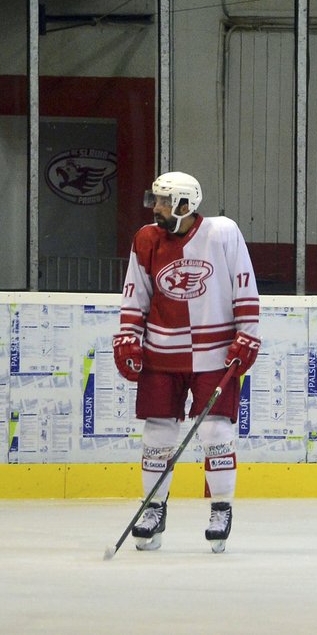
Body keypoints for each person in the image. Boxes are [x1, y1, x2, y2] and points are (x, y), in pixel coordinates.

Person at [113, 171, 261, 554]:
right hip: (162, 353)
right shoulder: (146, 239)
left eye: (164, 201)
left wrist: (247, 334)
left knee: (215, 433)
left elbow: (244, 285)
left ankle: (221, 509)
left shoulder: (223, 233)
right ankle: (153, 509)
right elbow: (135, 294)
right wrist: (128, 337)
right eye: (156, 200)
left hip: (215, 353)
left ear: (185, 204)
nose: (156, 208)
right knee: (158, 436)